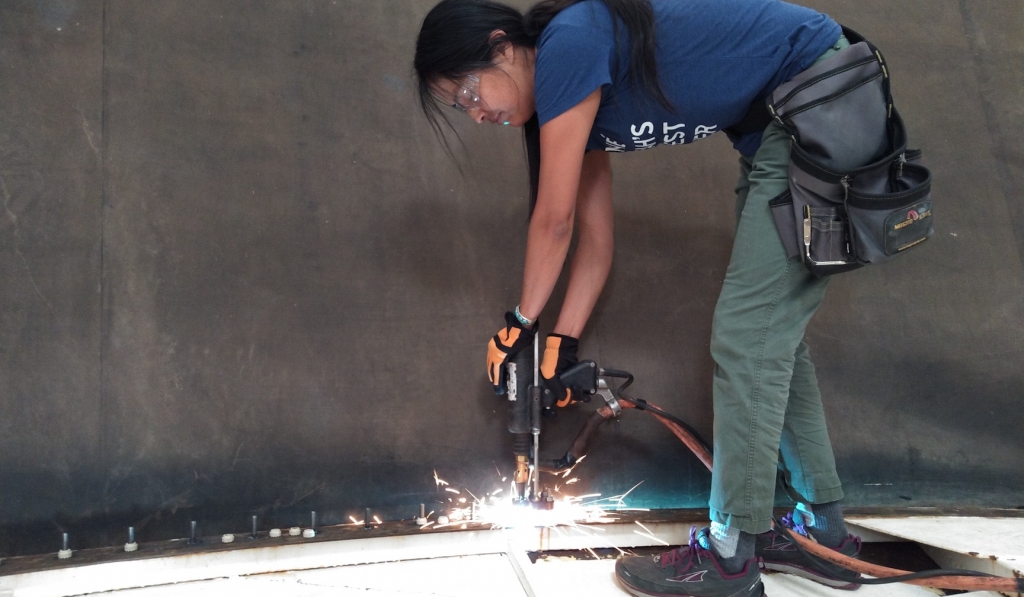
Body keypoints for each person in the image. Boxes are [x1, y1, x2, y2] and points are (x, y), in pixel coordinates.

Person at [414, 1, 865, 595]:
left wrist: (520, 323)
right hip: (784, 126)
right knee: (771, 335)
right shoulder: (568, 100)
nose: (475, 113)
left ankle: (730, 559)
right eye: (459, 106)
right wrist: (560, 341)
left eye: (469, 91)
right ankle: (824, 535)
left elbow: (553, 223)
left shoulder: (568, 47)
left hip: (819, 97)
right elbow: (594, 242)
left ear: (502, 46)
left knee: (747, 334)